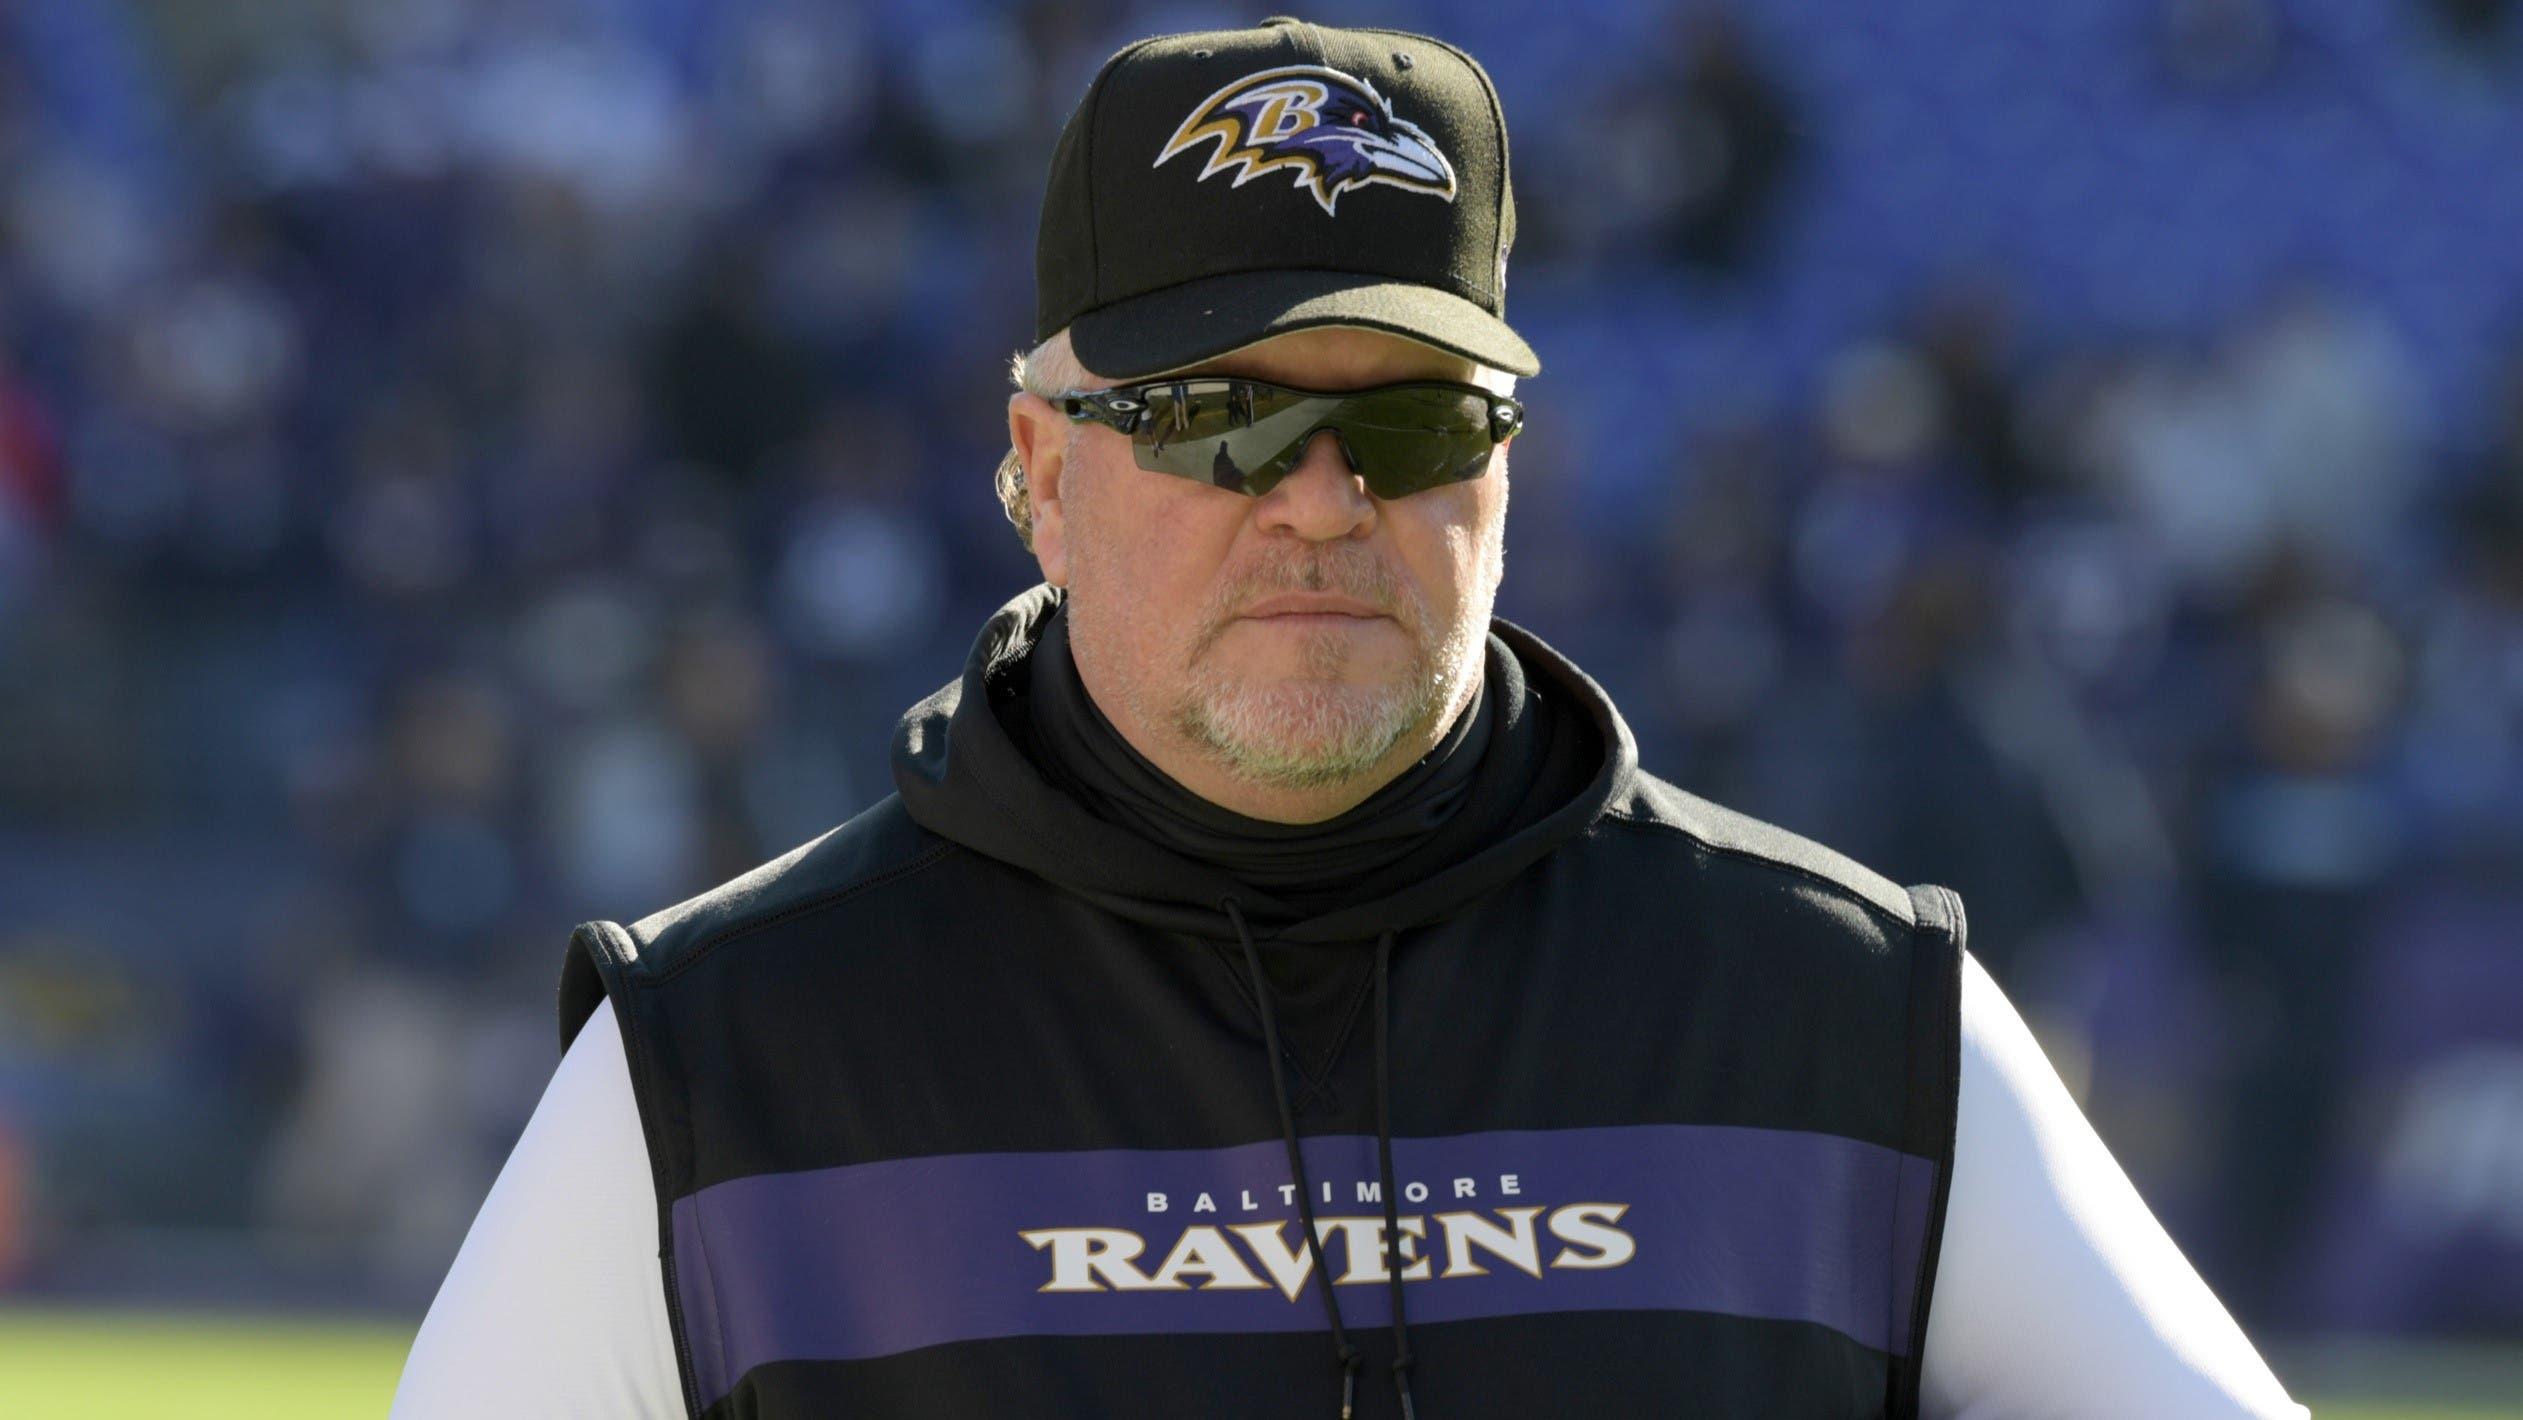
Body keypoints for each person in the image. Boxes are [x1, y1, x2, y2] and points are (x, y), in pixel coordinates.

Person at [393, 18, 2310, 1419]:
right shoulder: (721, 1064)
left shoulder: (1848, 1013)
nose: (1321, 498)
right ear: (1040, 474)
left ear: (1507, 470)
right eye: (1221, 419)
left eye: (1406, 422)